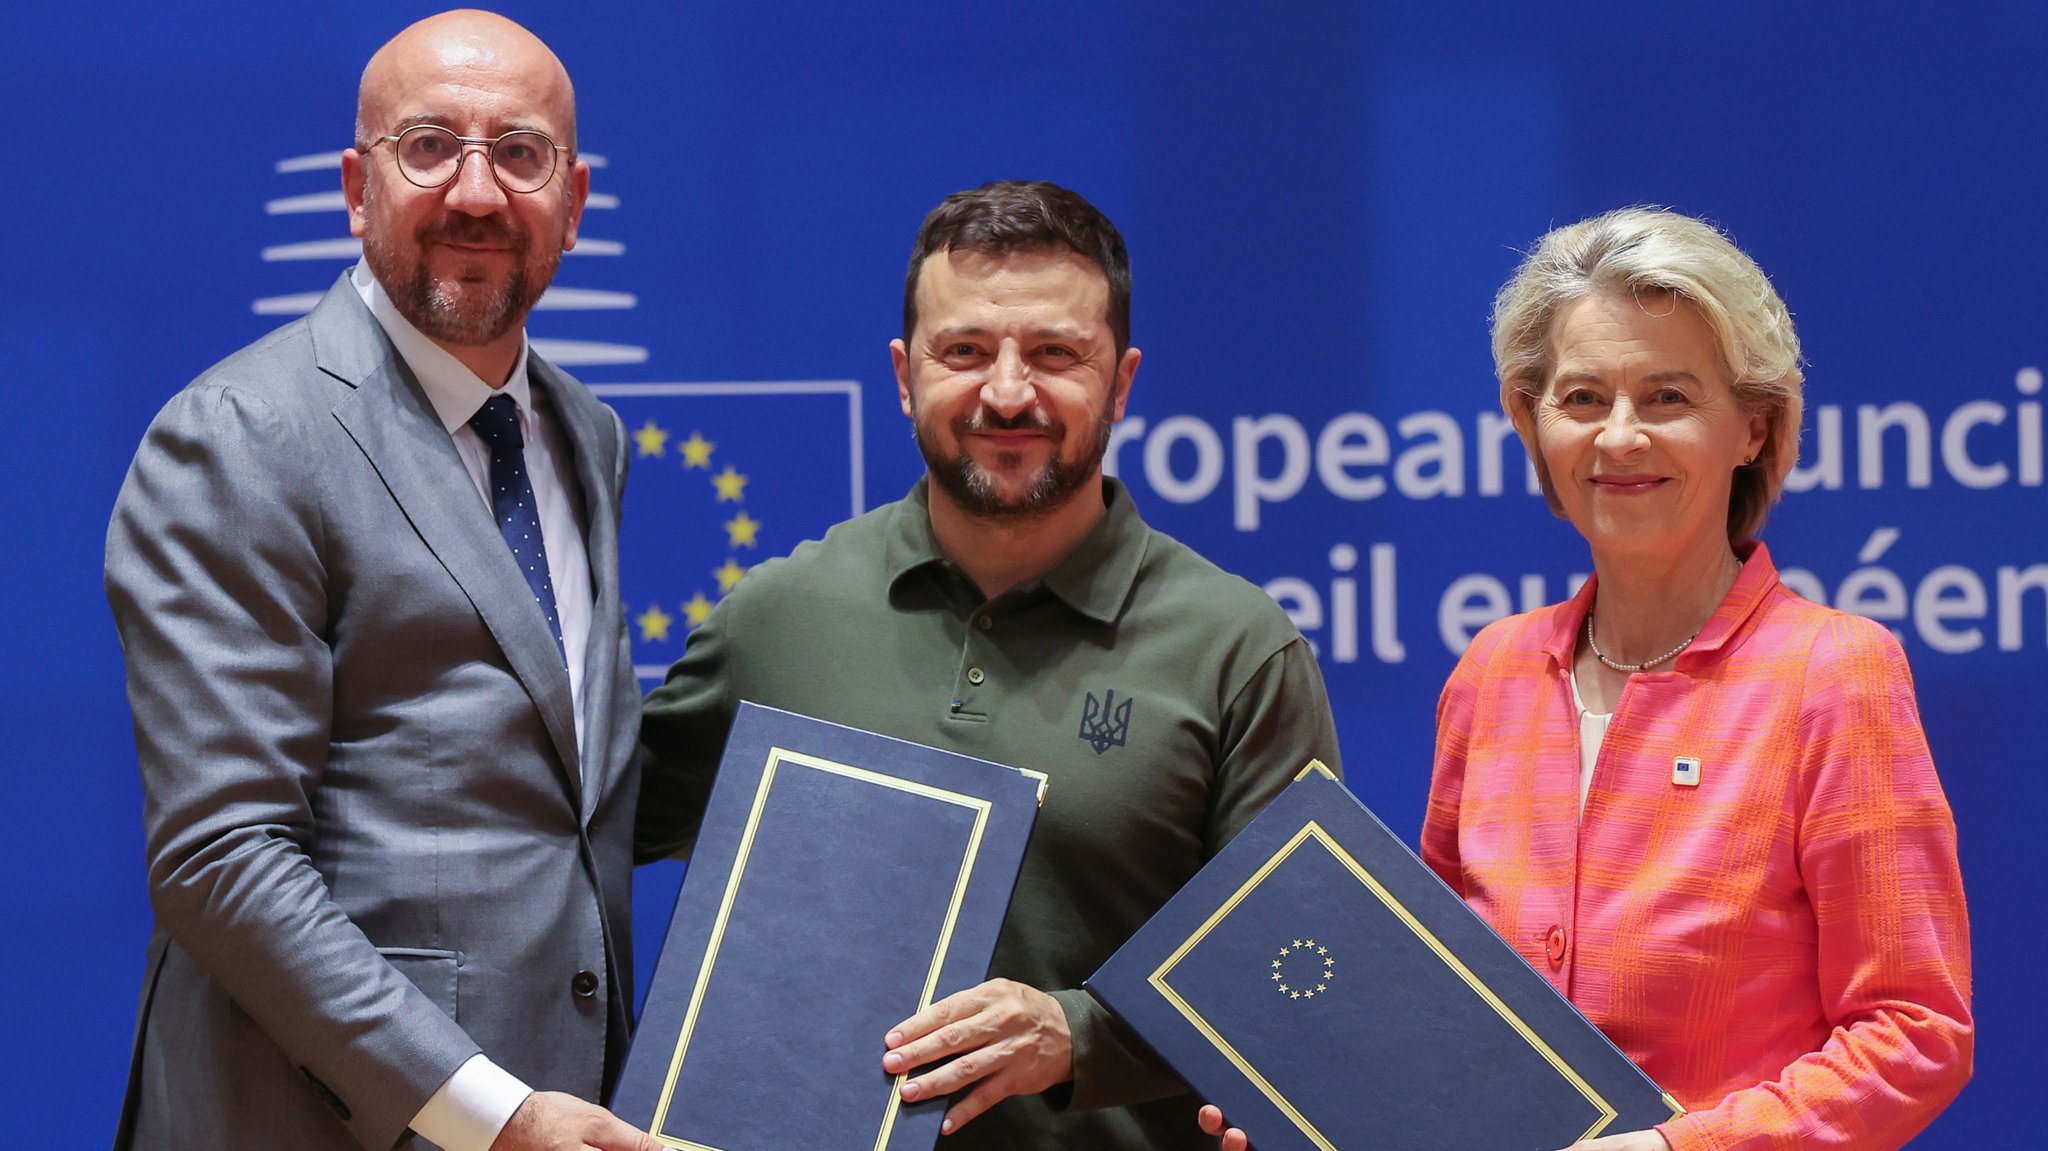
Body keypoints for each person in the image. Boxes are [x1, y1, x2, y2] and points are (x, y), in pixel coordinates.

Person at [1202, 207, 1972, 1151]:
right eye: (1580, 398)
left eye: (1667, 397)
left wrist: (1671, 1149)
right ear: (1531, 421)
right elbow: (1438, 1009)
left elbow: (1914, 1034)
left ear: (1753, 428)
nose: (1619, 437)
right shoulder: (1492, 674)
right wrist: (1322, 1109)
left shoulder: (1835, 673)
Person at [636, 180, 1341, 1150]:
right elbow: (570, 857)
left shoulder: (1235, 647)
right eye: (963, 351)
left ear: (1122, 380)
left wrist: (1079, 1032)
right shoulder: (776, 618)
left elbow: (1303, 973)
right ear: (902, 371)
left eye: (1054, 354)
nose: (1007, 392)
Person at [105, 11, 657, 1151]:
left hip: (568, 1103)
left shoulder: (582, 433)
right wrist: (490, 1112)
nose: (476, 193)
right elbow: (221, 856)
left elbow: (553, 784)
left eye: (519, 153)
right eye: (427, 147)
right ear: (357, 188)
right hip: (321, 1118)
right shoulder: (241, 435)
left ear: (575, 199)